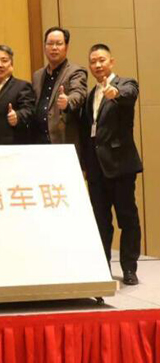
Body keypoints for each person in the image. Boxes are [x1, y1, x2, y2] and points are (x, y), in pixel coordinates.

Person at [79, 43, 143, 286]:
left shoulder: (125, 84)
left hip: (120, 166)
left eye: (101, 60)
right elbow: (88, 134)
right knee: (100, 222)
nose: (97, 65)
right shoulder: (90, 96)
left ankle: (129, 268)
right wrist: (85, 165)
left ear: (111, 62)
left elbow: (130, 94)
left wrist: (115, 93)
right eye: (93, 61)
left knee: (127, 219)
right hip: (96, 170)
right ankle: (102, 267)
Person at [31, 27, 87, 147]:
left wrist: (68, 101)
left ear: (66, 47)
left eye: (59, 43)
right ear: (44, 47)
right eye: (50, 43)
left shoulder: (76, 72)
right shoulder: (37, 75)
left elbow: (79, 94)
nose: (54, 48)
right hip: (39, 142)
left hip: (63, 141)